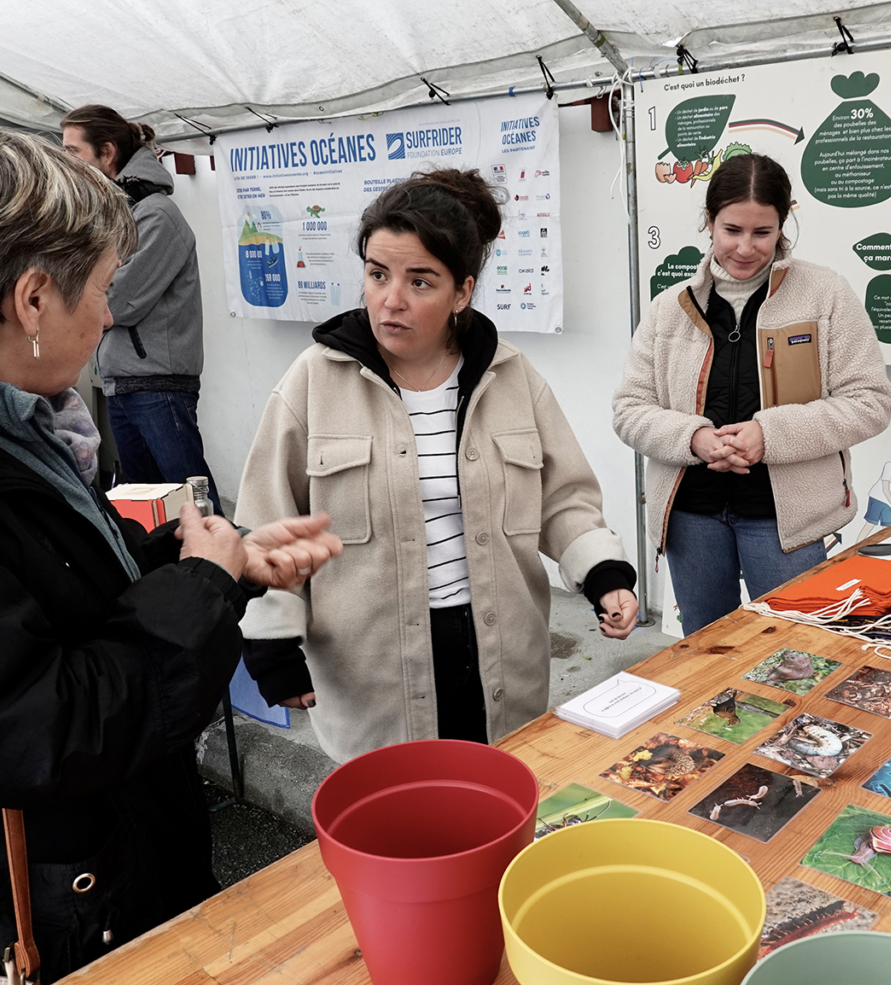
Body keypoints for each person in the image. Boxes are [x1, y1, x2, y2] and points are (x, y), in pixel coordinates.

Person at [0, 126, 341, 983]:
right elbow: (28, 727)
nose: (111, 314)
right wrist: (200, 587)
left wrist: (206, 563)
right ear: (34, 300)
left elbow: (47, 592)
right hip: (23, 929)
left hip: (100, 882)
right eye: (104, 287)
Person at [236, 169, 639, 763]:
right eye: (377, 274)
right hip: (373, 671)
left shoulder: (511, 378)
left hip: (498, 655)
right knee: (400, 813)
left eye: (420, 281)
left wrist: (605, 574)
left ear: (461, 292)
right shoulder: (313, 383)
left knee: (496, 797)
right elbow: (268, 524)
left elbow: (563, 500)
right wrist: (271, 639)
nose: (391, 299)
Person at [613, 152, 891, 636]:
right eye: (731, 230)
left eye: (762, 232)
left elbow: (870, 401)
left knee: (796, 653)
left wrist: (771, 434)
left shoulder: (826, 295)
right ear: (709, 222)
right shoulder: (669, 307)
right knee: (707, 652)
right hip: (691, 515)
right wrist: (694, 438)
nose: (745, 248)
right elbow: (628, 410)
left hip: (784, 521)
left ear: (783, 225)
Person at [60, 104, 223, 514]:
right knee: (146, 508)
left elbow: (115, 302)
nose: (66, 163)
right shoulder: (121, 214)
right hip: (122, 380)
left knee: (192, 501)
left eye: (73, 152)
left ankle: (227, 555)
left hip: (158, 384)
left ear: (107, 152)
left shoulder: (156, 215)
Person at [856, 439, 891, 541]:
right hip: (878, 498)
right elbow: (885, 489)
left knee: (887, 529)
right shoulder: (889, 466)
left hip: (889, 503)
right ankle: (856, 546)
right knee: (870, 524)